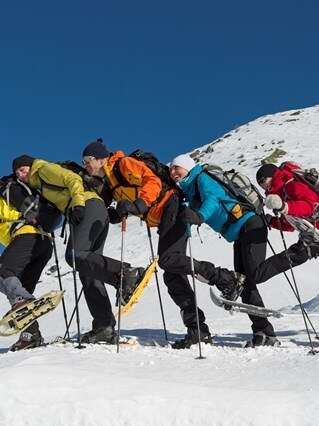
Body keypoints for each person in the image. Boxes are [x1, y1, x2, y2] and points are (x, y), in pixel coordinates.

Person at [82, 140, 243, 348]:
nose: (86, 165)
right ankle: (198, 330)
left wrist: (139, 204)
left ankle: (226, 278)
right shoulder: (112, 182)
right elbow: (131, 200)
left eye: (87, 160)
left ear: (101, 158)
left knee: (168, 260)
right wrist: (118, 213)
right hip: (163, 214)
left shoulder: (123, 164)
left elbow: (152, 182)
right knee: (172, 274)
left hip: (172, 205)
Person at [12, 154, 145, 344]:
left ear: (30, 166)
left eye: (23, 169)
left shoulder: (41, 168)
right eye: (18, 173)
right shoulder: (38, 183)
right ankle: (104, 326)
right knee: (88, 271)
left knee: (75, 255)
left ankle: (126, 273)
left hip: (87, 206)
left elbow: (72, 179)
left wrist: (78, 205)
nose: (22, 174)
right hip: (97, 211)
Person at [169, 154, 280, 348]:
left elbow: (214, 197)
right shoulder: (189, 188)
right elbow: (192, 211)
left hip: (251, 224)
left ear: (187, 167)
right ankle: (264, 333)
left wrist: (199, 216)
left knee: (253, 274)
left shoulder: (202, 177)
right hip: (239, 231)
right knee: (245, 283)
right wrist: (189, 223)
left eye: (176, 167)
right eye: (171, 169)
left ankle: (299, 254)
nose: (173, 172)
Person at [0, 175, 55, 350]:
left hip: (27, 236)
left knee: (4, 271)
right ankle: (30, 335)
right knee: (18, 288)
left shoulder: (4, 196)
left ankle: (23, 300)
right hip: (43, 243)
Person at [256, 162, 319, 265]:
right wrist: (271, 221)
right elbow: (290, 225)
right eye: (260, 184)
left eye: (263, 180)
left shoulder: (291, 185)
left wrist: (285, 207)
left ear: (272, 175)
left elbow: (310, 206)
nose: (263, 186)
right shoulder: (280, 196)